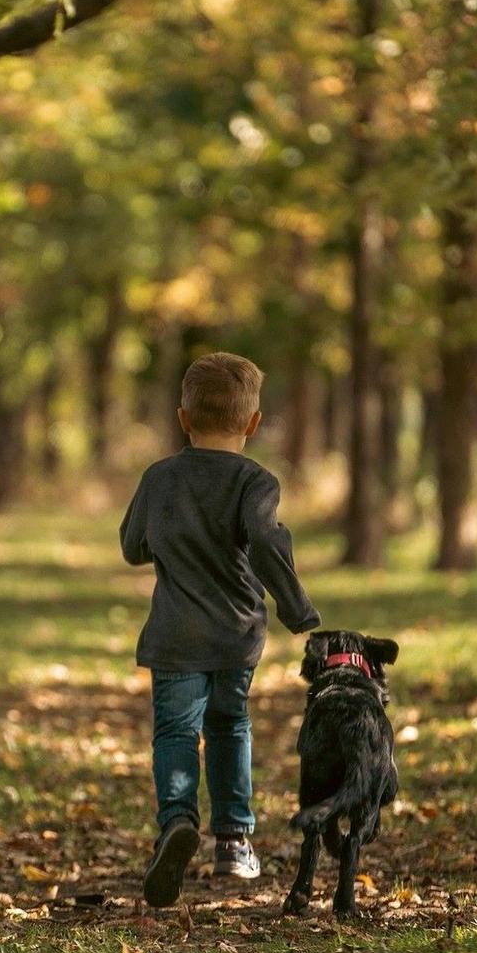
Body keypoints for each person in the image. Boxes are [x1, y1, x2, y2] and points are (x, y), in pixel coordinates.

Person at [120, 351, 321, 908]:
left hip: (174, 637)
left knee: (176, 733)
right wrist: (299, 611)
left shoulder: (159, 478)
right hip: (236, 637)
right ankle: (233, 840)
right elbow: (266, 545)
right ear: (253, 424)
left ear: (183, 418)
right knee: (230, 725)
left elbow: (132, 546)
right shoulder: (255, 481)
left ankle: (177, 823)